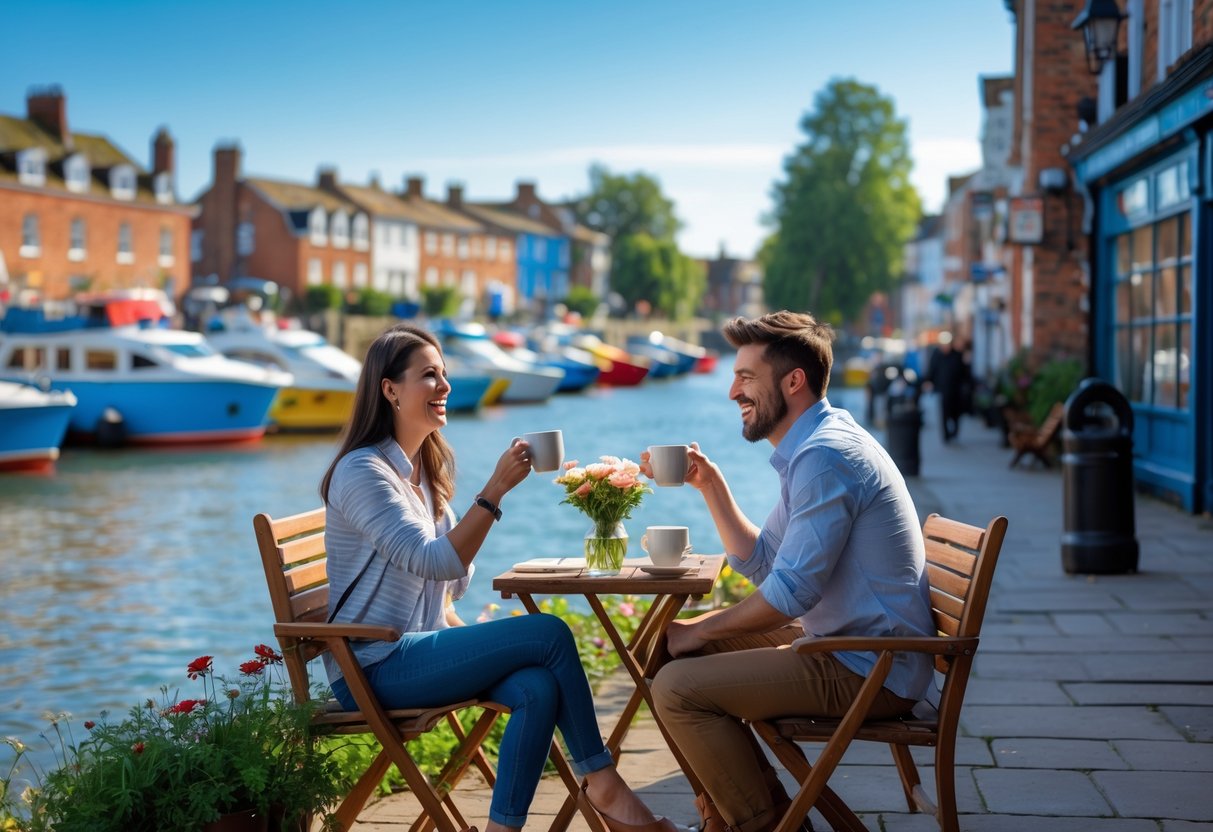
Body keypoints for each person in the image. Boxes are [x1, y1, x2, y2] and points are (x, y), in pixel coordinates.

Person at [320, 324, 675, 832]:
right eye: (429, 375)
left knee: (535, 686)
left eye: (444, 373)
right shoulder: (364, 472)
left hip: (415, 649)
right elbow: (437, 562)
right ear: (390, 389)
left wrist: (465, 522)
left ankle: (502, 828)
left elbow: (451, 585)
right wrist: (494, 493)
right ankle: (604, 783)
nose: (444, 386)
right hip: (372, 666)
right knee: (549, 632)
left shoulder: (422, 472)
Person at [641, 311, 933, 832]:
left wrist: (700, 628)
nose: (733, 392)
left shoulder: (826, 457)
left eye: (746, 377)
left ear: (792, 381)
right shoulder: (818, 445)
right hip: (857, 647)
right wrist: (712, 487)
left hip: (871, 668)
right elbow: (765, 564)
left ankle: (767, 823)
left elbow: (790, 593)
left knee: (676, 687)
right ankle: (736, 816)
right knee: (676, 653)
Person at [925, 331, 970, 442]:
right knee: (944, 413)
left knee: (956, 413)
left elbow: (964, 373)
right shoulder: (937, 355)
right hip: (943, 389)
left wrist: (967, 385)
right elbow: (932, 369)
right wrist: (928, 381)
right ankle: (946, 435)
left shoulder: (957, 355)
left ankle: (954, 432)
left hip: (956, 389)